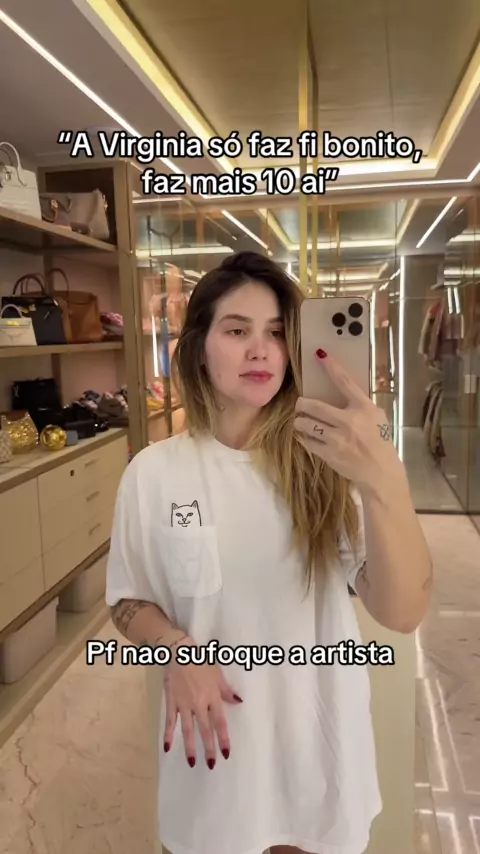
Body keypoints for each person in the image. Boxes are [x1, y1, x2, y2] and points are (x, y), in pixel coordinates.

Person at [105, 252, 433, 854]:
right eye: (238, 331)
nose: (261, 350)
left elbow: (403, 610)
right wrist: (175, 649)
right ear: (199, 349)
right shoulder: (153, 475)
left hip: (320, 763)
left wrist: (382, 478)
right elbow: (128, 602)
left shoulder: (328, 467)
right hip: (216, 767)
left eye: (278, 333)